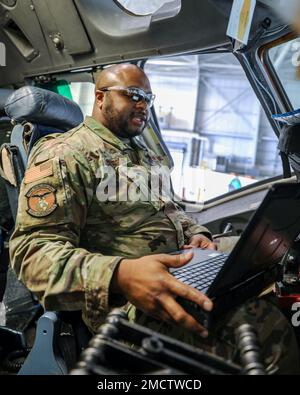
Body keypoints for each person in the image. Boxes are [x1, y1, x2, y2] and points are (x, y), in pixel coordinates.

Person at [9, 64, 299, 373]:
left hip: (178, 268)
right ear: (100, 97)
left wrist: (197, 234)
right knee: (263, 327)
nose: (143, 105)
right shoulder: (65, 153)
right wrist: (121, 273)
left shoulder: (145, 153)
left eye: (149, 97)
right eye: (133, 95)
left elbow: (171, 210)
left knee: (269, 267)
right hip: (127, 303)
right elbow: (31, 255)